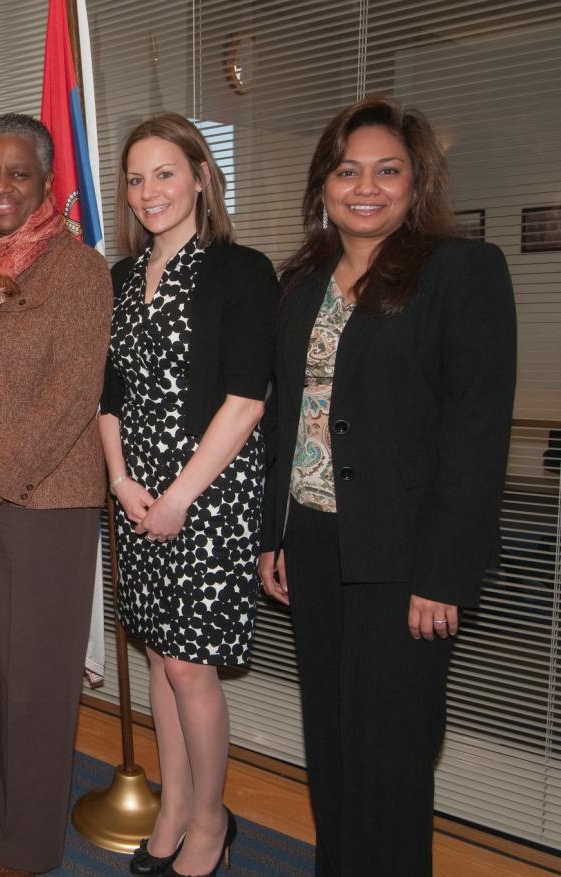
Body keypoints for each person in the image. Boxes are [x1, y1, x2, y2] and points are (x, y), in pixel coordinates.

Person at [259, 97, 515, 877]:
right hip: (312, 540)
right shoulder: (300, 282)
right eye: (348, 170)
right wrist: (274, 531)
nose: (366, 186)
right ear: (324, 185)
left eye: (387, 170)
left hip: (404, 557)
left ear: (416, 182)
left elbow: (476, 435)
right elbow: (286, 414)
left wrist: (445, 572)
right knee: (333, 744)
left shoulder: (462, 271)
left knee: (392, 755)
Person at [0, 113, 111, 877]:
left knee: (38, 677)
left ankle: (31, 847)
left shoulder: (79, 270)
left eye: (17, 174)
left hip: (46, 501)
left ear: (45, 183)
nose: (1, 188)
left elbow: (71, 397)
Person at [99, 114, 277, 877]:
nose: (150, 192)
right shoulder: (118, 278)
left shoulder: (242, 270)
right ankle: (172, 805)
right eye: (136, 179)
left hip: (206, 495)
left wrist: (176, 497)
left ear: (202, 175)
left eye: (165, 173)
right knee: (157, 652)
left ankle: (211, 819)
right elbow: (107, 394)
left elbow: (245, 399)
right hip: (136, 493)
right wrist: (120, 478)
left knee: (188, 667)